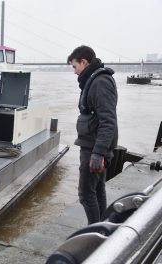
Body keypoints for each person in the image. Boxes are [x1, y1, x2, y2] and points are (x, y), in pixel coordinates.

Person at [67, 45, 118, 224]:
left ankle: (95, 232)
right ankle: (102, 227)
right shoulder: (95, 79)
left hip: (93, 148)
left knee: (86, 194)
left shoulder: (100, 82)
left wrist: (98, 153)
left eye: (75, 66)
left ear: (84, 61)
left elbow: (108, 120)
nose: (74, 72)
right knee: (98, 190)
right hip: (93, 145)